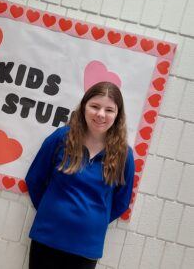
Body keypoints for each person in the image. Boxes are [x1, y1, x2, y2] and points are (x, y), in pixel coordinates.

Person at [25, 81, 135, 269]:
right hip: (47, 236)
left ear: (117, 115)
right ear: (84, 106)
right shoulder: (61, 137)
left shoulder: (124, 154)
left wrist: (94, 219)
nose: (101, 114)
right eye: (95, 106)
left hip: (86, 246)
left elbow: (122, 201)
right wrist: (52, 210)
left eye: (109, 110)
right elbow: (35, 179)